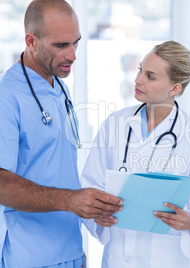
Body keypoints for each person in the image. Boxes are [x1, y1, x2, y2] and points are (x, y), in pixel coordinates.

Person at [81, 41, 190, 267]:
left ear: (174, 88)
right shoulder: (115, 124)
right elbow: (90, 185)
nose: (138, 79)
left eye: (150, 76)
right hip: (117, 259)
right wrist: (97, 214)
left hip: (166, 260)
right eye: (141, 70)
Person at [0, 1, 123, 267]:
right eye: (60, 46)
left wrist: (75, 250)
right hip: (30, 256)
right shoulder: (6, 96)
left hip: (69, 251)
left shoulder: (57, 85)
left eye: (75, 43)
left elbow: (57, 168)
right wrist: (71, 201)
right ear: (31, 41)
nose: (72, 55)